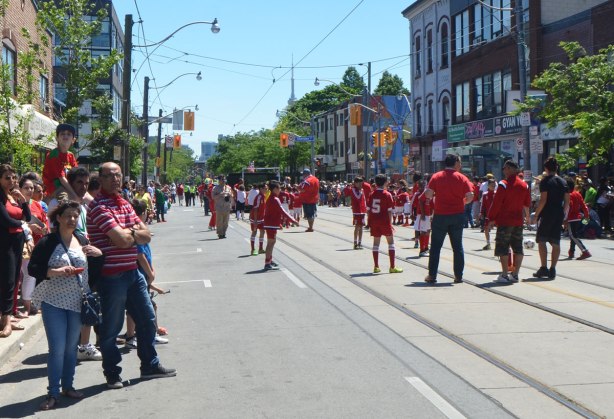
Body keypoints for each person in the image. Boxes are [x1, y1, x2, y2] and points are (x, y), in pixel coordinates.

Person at [87, 162, 176, 389]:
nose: (115, 179)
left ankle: (149, 365)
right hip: (111, 276)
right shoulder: (98, 207)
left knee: (147, 321)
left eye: (118, 175)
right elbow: (124, 240)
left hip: (132, 272)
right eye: (110, 176)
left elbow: (145, 235)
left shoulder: (125, 203)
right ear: (101, 179)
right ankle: (112, 373)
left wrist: (130, 233)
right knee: (111, 329)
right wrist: (133, 233)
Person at [29, 201, 103, 410]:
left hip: (77, 301)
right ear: (58, 218)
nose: (72, 219)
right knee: (57, 348)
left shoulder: (81, 239)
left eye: (75, 215)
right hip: (53, 302)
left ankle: (68, 386)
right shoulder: (47, 242)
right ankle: (52, 393)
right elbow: (33, 268)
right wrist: (54, 272)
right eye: (68, 215)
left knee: (71, 348)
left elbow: (92, 272)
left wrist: (99, 256)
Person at [423, 154, 474, 284]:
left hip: (440, 215)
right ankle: (458, 276)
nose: (460, 165)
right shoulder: (462, 178)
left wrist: (436, 194)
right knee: (457, 247)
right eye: (460, 162)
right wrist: (462, 202)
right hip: (457, 215)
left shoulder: (436, 176)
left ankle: (432, 275)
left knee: (435, 247)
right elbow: (470, 196)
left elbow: (428, 194)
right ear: (456, 163)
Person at [487, 160, 531, 283]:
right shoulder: (525, 185)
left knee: (503, 247)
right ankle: (515, 274)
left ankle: (505, 274)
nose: (504, 171)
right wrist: (527, 218)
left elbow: (496, 203)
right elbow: (527, 204)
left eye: (505, 168)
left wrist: (491, 218)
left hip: (505, 221)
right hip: (518, 221)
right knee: (518, 247)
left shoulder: (503, 184)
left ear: (510, 169)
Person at [0, 164, 31, 337]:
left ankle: (7, 317)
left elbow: (26, 215)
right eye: (7, 177)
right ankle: (5, 321)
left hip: (17, 242)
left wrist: (23, 201)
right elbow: (5, 221)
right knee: (7, 281)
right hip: (5, 243)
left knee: (15, 279)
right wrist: (23, 225)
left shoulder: (12, 195)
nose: (11, 181)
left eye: (13, 177)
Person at [533, 156, 570, 280]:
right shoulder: (563, 182)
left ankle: (544, 267)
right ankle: (553, 268)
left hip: (547, 213)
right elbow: (567, 202)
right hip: (558, 213)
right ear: (557, 168)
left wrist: (536, 214)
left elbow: (543, 200)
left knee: (541, 240)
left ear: (546, 168)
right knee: (555, 241)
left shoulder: (545, 181)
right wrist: (563, 215)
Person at [367, 175, 402, 274]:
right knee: (391, 243)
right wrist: (390, 223)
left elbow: (368, 210)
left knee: (376, 244)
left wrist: (369, 221)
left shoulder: (371, 194)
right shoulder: (387, 194)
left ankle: (376, 266)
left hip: (374, 221)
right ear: (385, 182)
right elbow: (390, 211)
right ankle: (392, 266)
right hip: (384, 221)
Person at [263, 181, 297, 270]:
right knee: (271, 243)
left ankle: (269, 259)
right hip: (271, 224)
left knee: (271, 242)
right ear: (274, 189)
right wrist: (293, 220)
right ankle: (267, 262)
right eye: (279, 188)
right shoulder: (275, 199)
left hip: (271, 223)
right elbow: (282, 211)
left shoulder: (271, 198)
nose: (280, 190)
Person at [42, 123, 79, 203]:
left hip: (66, 186)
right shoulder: (54, 154)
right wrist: (75, 195)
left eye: (69, 134)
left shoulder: (71, 155)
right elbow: (62, 179)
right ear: (57, 138)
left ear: (73, 140)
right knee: (66, 200)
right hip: (55, 189)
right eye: (62, 134)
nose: (65, 136)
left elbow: (77, 175)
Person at [566, 179, 591, 260]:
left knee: (573, 235)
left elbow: (569, 207)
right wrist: (587, 216)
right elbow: (584, 206)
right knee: (573, 235)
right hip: (578, 217)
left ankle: (585, 251)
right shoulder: (578, 193)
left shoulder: (568, 195)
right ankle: (571, 252)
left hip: (571, 218)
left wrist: (565, 219)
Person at [348, 176, 367, 250]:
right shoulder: (353, 190)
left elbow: (363, 200)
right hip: (356, 211)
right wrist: (361, 191)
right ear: (355, 183)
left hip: (362, 211)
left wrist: (366, 209)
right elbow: (358, 197)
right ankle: (355, 242)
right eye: (358, 183)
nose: (360, 185)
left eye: (361, 183)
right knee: (357, 226)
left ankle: (360, 242)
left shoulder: (361, 190)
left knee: (361, 227)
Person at [415, 180, 434, 257]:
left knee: (428, 231)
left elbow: (432, 204)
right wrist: (422, 213)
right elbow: (420, 200)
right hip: (423, 215)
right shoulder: (427, 191)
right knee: (423, 231)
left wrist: (432, 214)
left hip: (428, 214)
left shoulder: (432, 191)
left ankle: (426, 248)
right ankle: (422, 250)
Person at [249, 183, 267, 256]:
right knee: (254, 232)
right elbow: (255, 209)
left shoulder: (263, 196)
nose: (266, 189)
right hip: (255, 218)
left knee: (262, 232)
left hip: (261, 218)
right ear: (261, 189)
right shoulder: (259, 197)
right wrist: (255, 220)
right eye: (265, 188)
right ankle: (253, 249)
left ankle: (260, 248)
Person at [480, 180, 496, 250]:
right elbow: (482, 205)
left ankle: (499, 243)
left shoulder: (497, 193)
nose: (493, 186)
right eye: (492, 185)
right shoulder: (485, 194)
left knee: (500, 229)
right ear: (488, 186)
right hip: (488, 215)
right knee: (486, 228)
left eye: (494, 185)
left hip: (496, 215)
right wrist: (481, 212)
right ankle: (488, 243)